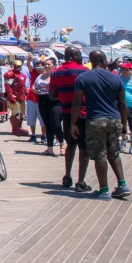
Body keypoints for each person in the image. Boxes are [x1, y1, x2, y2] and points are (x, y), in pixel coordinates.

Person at [72, 51, 131, 200]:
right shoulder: (116, 78)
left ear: (90, 61)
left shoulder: (83, 78)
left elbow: (78, 102)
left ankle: (104, 190)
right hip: (115, 119)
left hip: (96, 120)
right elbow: (122, 103)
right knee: (114, 152)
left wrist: (73, 123)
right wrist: (124, 124)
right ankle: (122, 184)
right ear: (104, 60)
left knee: (100, 155)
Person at [50, 46, 92, 192]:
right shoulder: (84, 71)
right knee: (84, 148)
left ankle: (67, 176)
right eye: (79, 54)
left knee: (70, 145)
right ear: (74, 56)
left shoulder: (55, 73)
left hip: (66, 112)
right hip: (83, 113)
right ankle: (81, 181)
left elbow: (51, 95)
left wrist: (63, 97)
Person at [35, 57, 64, 157]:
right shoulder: (40, 77)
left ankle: (62, 145)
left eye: (49, 64)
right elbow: (33, 88)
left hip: (55, 102)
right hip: (43, 102)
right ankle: (50, 148)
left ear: (54, 66)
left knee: (56, 124)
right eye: (45, 64)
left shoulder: (57, 76)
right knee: (47, 125)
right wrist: (38, 91)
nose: (46, 66)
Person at [4, 60, 29, 137]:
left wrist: (25, 91)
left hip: (21, 97)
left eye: (19, 66)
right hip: (14, 97)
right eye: (16, 66)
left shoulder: (23, 75)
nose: (17, 68)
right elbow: (8, 87)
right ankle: (15, 129)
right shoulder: (10, 74)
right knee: (16, 113)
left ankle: (19, 127)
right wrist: (11, 97)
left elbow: (23, 86)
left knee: (22, 114)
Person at [25, 59, 45, 144]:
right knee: (31, 118)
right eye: (37, 67)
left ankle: (44, 136)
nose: (39, 69)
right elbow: (28, 64)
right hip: (31, 98)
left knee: (42, 120)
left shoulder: (46, 74)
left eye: (40, 67)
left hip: (42, 99)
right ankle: (33, 135)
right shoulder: (33, 72)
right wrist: (30, 58)